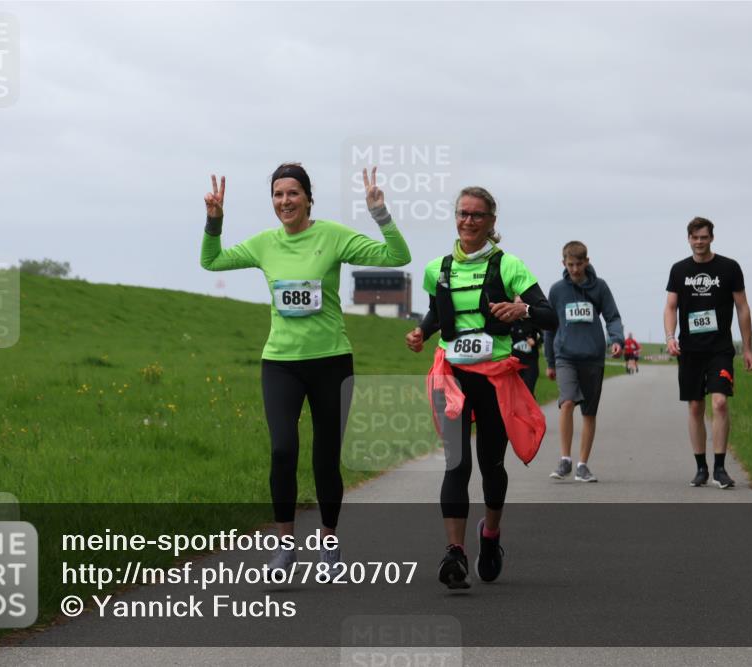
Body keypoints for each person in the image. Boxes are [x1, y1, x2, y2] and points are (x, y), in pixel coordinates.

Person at [201, 164, 411, 574]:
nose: (285, 201)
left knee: (326, 458)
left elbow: (397, 256)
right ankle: (284, 546)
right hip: (280, 362)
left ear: (308, 198)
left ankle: (329, 543)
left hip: (331, 360)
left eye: (293, 193)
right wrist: (215, 221)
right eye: (278, 195)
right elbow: (212, 262)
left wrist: (379, 214)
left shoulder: (331, 236)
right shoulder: (265, 244)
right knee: (282, 451)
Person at [405, 186, 557, 589]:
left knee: (491, 465)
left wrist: (521, 308)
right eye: (462, 214)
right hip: (452, 375)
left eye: (477, 215)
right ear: (455, 217)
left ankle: (490, 536)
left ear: (492, 222)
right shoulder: (437, 268)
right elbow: (439, 312)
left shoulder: (509, 266)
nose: (468, 221)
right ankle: (454, 553)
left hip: (494, 379)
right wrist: (422, 331)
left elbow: (549, 315)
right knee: (457, 464)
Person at [664, 217, 752, 489]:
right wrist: (670, 337)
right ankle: (701, 467)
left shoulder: (729, 268)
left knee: (720, 403)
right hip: (690, 349)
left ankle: (720, 467)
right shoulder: (679, 270)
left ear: (711, 238)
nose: (699, 242)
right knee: (695, 406)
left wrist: (748, 347)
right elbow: (670, 306)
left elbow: (743, 308)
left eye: (704, 237)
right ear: (688, 239)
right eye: (695, 237)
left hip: (720, 349)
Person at [544, 241, 624, 483]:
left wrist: (617, 339)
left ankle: (582, 465)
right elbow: (549, 327)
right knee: (567, 402)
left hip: (593, 357)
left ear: (587, 262)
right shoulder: (557, 290)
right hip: (565, 356)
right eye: (570, 265)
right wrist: (549, 361)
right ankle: (565, 459)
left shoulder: (600, 287)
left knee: (589, 412)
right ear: (563, 263)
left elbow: (612, 316)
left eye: (579, 264)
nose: (575, 269)